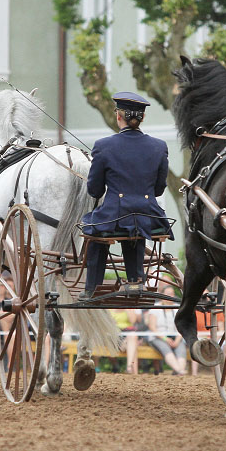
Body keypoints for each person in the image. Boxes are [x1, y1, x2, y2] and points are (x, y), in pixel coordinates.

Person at [79, 92, 172, 300]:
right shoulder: (159, 147)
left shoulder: (103, 146)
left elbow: (94, 190)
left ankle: (92, 287)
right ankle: (135, 280)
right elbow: (158, 190)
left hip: (115, 216)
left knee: (94, 228)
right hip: (148, 216)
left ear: (118, 116)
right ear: (142, 118)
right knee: (136, 221)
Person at [146, 286, 187, 375]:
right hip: (158, 337)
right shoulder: (155, 308)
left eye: (172, 294)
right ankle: (180, 371)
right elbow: (152, 327)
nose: (170, 296)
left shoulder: (178, 308)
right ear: (162, 295)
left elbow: (182, 326)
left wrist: (177, 340)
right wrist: (165, 339)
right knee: (165, 348)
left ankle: (179, 371)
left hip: (176, 337)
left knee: (181, 349)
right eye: (167, 294)